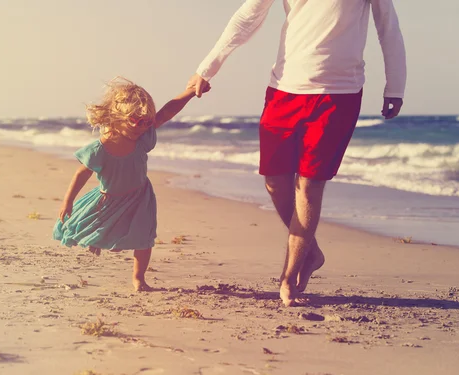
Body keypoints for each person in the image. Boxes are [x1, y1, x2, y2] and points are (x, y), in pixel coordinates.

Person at [187, 0, 406, 306]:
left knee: (309, 184)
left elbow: (388, 27)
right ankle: (311, 251)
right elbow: (248, 16)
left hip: (338, 93)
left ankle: (288, 277)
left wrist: (395, 85)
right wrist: (207, 68)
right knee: (275, 182)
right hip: (284, 88)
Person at [53, 77, 210, 292]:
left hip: (140, 196)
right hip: (108, 199)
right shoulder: (100, 148)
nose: (142, 127)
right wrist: (67, 202)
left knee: (144, 238)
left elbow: (168, 111)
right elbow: (81, 174)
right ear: (117, 117)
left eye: (146, 122)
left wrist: (190, 92)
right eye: (135, 121)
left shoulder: (142, 137)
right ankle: (97, 240)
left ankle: (139, 279)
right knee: (100, 232)